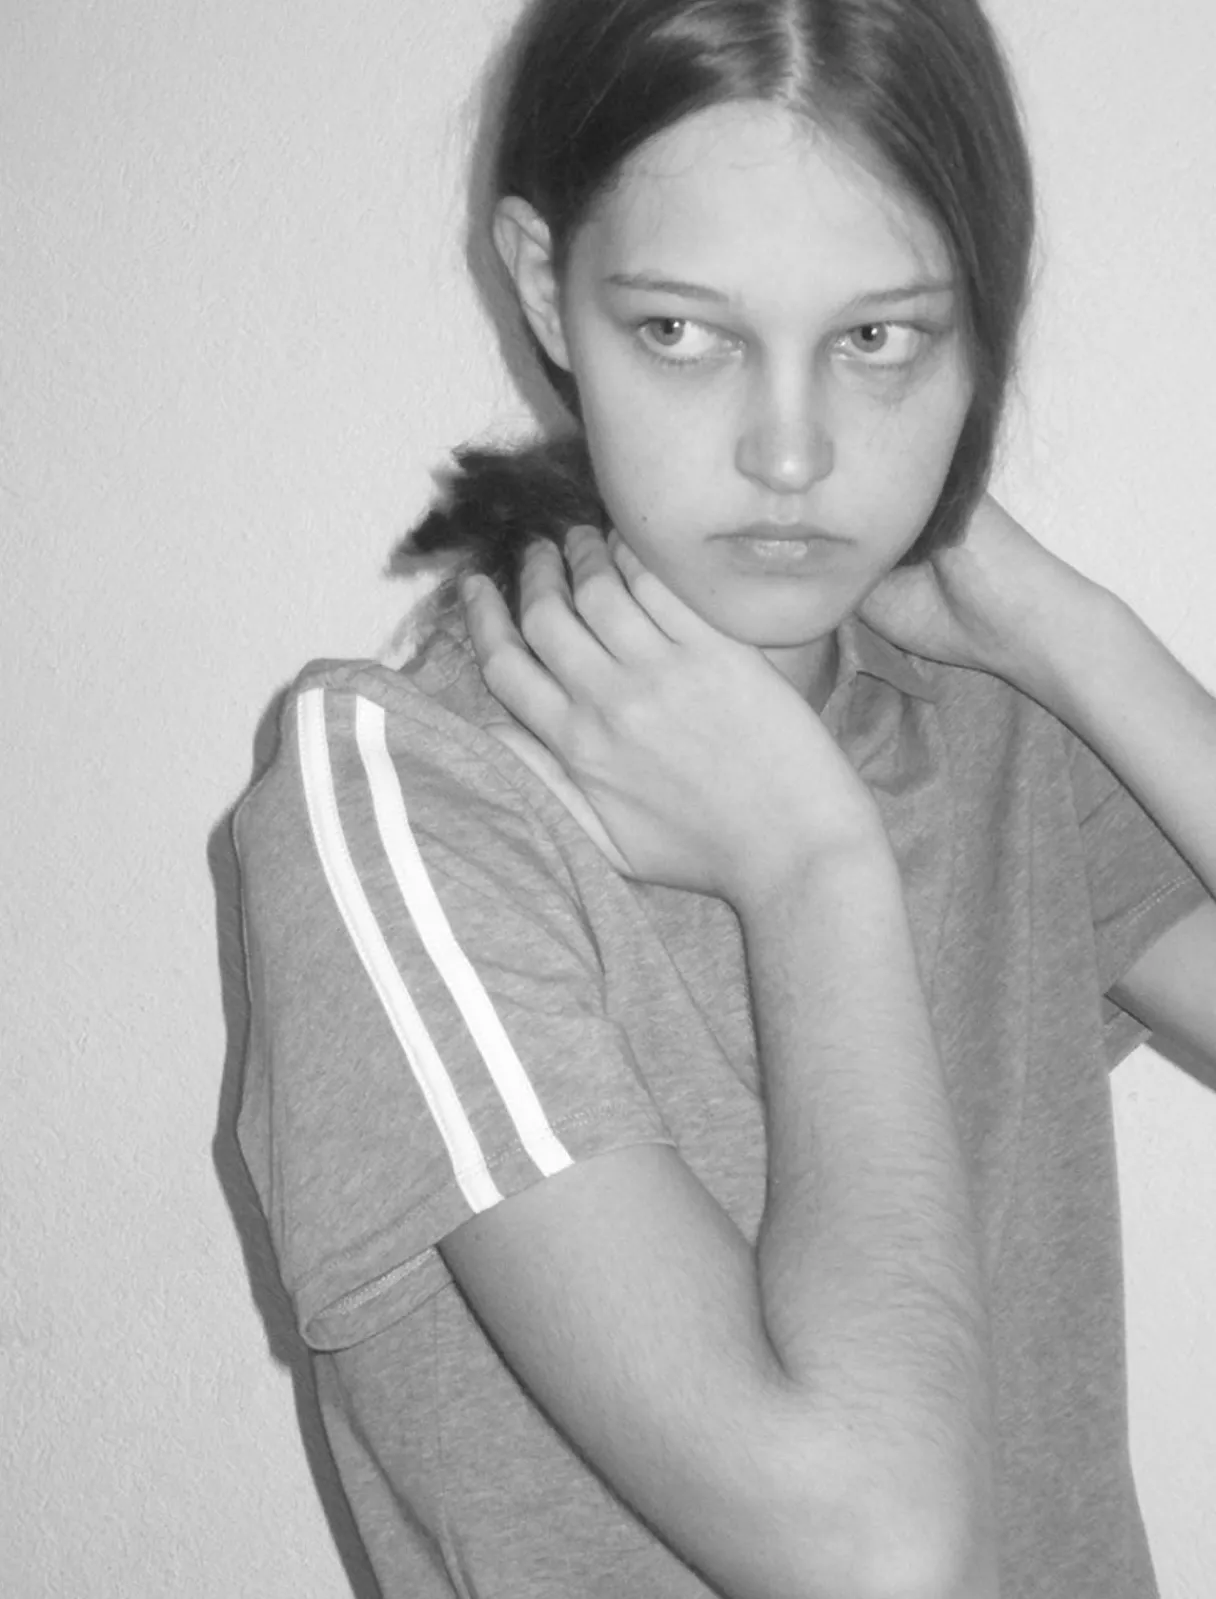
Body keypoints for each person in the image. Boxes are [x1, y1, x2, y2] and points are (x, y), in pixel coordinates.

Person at [232, 0, 1216, 1595]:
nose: (791, 453)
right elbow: (873, 1551)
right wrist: (809, 863)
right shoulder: (410, 797)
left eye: (880, 338)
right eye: (686, 332)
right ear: (546, 285)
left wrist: (1074, 631)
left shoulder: (994, 719)